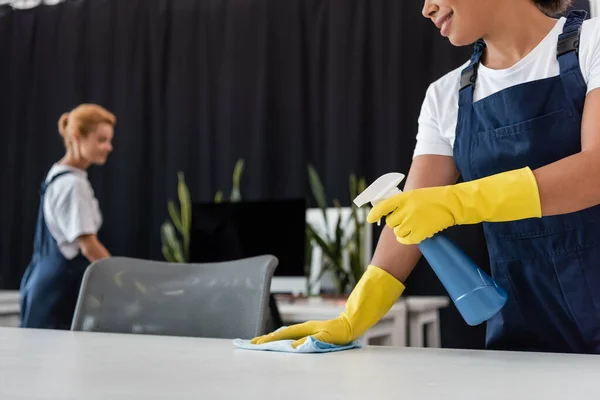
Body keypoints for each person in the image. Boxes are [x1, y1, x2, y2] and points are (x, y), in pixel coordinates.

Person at [253, 0, 600, 354]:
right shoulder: (447, 95)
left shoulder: (593, 43)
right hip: (519, 328)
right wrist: (353, 317)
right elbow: (409, 217)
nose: (426, 8)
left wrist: (455, 203)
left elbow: (596, 171)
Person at [20, 104, 116, 329]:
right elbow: (88, 246)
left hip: (41, 283)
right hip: (58, 292)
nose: (109, 147)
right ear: (77, 137)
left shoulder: (59, 174)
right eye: (101, 140)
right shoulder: (73, 185)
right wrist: (118, 276)